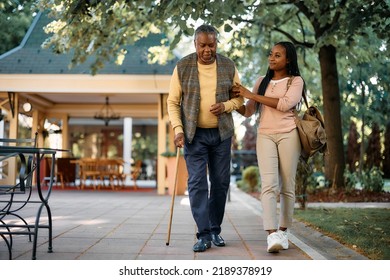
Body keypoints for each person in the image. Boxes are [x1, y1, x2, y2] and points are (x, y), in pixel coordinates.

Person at [167, 24, 244, 252]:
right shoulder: (183, 67)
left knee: (221, 183)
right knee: (197, 183)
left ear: (216, 44)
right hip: (194, 134)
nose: (207, 50)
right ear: (195, 44)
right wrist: (178, 129)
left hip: (221, 134)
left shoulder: (228, 66)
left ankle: (214, 229)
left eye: (211, 45)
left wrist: (226, 106)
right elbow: (173, 102)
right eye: (203, 45)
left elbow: (239, 99)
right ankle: (203, 234)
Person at [233, 41, 304, 253]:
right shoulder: (261, 81)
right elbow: (248, 111)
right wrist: (232, 102)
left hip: (289, 135)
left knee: (287, 186)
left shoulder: (295, 81)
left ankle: (284, 231)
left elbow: (284, 104)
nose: (272, 58)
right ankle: (272, 234)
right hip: (265, 135)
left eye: (278, 55)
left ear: (288, 59)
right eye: (271, 54)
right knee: (269, 184)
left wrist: (250, 94)